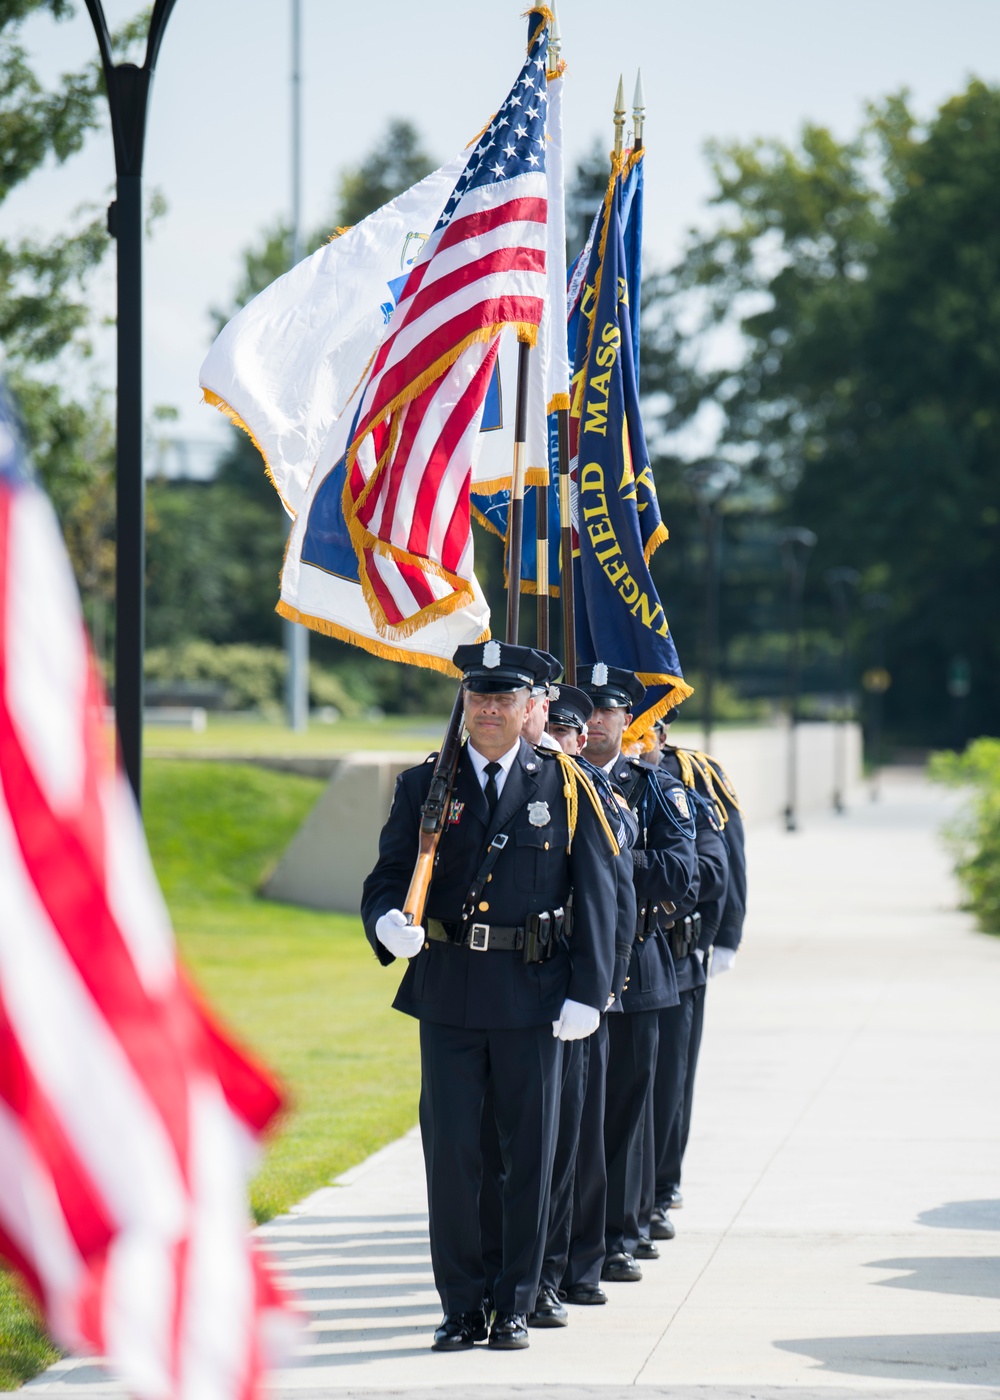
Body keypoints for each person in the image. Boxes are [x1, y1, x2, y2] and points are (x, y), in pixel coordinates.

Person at [361, 642, 621, 1352]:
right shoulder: (426, 785)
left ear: (532, 707)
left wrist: (588, 992)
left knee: (528, 1157)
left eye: (504, 700)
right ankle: (461, 1305)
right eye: (478, 698)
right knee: (453, 1159)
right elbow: (386, 877)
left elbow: (599, 895)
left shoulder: (566, 785)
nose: (489, 711)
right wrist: (387, 922)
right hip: (446, 991)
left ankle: (516, 1301)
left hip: (534, 994)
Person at [578, 664, 698, 1284]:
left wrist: (605, 863)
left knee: (625, 1111)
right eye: (588, 709)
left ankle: (621, 1233)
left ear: (630, 720)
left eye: (610, 711)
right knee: (571, 1115)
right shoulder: (557, 783)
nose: (597, 721)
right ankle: (569, 1238)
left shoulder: (654, 788)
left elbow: (682, 872)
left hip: (639, 969)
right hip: (567, 966)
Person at [528, 684, 639, 1320]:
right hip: (517, 985)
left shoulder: (594, 798)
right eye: (558, 730)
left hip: (574, 991)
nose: (566, 741)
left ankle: (573, 1264)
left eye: (572, 732)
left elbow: (614, 902)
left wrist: (600, 988)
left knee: (573, 1141)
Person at [649, 729, 747, 1233]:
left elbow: (726, 860)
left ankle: (662, 1186)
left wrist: (726, 934)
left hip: (678, 951)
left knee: (669, 1081)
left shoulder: (690, 777)